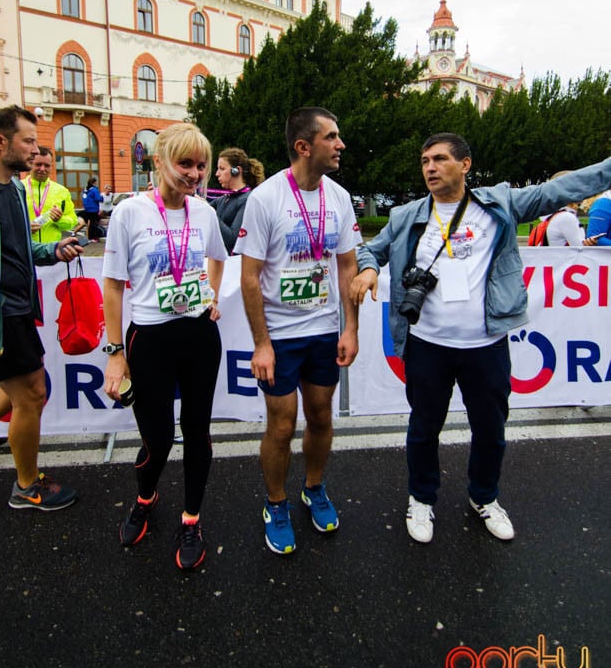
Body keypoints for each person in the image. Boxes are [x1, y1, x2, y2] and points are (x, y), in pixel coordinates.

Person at [350, 133, 611, 545]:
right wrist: (366, 269)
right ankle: (421, 498)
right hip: (427, 346)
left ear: (465, 164)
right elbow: (370, 250)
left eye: (439, 159)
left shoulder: (499, 204)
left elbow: (560, 189)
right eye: (424, 161)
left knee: (490, 429)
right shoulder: (406, 215)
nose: (430, 168)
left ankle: (484, 497)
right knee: (423, 427)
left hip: (484, 347)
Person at [235, 107, 361, 555]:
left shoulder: (340, 198)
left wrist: (351, 328)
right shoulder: (266, 199)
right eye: (332, 137)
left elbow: (347, 266)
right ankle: (276, 502)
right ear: (304, 146)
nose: (340, 144)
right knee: (282, 424)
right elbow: (250, 278)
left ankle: (313, 488)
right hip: (281, 334)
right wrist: (262, 344)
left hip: (324, 328)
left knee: (322, 414)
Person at [102, 122, 227, 571]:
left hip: (197, 335)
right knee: (156, 439)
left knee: (198, 433)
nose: (194, 173)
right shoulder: (129, 213)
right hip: (149, 337)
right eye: (185, 163)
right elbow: (113, 287)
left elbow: (218, 258)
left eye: (200, 165)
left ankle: (191, 518)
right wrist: (115, 353)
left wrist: (212, 296)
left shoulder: (206, 213)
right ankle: (145, 496)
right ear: (158, 161)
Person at [0, 105, 82, 510]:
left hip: (19, 309)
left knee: (20, 391)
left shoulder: (16, 189)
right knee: (32, 394)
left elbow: (21, 251)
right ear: (0, 142)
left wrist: (53, 250)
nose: (37, 151)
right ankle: (26, 486)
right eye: (29, 141)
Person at [213, 147, 265, 253]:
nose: (217, 173)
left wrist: (209, 212)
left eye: (222, 169)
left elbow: (232, 240)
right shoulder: (223, 199)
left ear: (236, 171)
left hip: (235, 265)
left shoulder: (248, 200)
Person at [21, 146, 78, 243]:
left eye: (47, 165)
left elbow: (72, 222)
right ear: (31, 164)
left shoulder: (62, 191)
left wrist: (60, 219)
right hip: (23, 250)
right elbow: (6, 222)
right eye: (38, 164)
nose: (42, 169)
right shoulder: (18, 188)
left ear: (51, 166)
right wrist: (23, 228)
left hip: (51, 252)